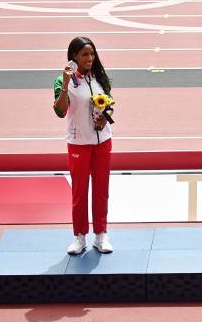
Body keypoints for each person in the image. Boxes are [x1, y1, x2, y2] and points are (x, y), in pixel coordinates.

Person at [53, 37, 114, 254]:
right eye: (85, 55)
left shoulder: (99, 77)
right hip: (78, 144)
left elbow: (109, 104)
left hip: (103, 142)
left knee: (101, 189)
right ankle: (79, 236)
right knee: (80, 192)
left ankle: (101, 234)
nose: (90, 58)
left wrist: (105, 117)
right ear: (74, 57)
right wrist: (66, 84)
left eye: (92, 54)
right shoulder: (63, 81)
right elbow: (60, 111)